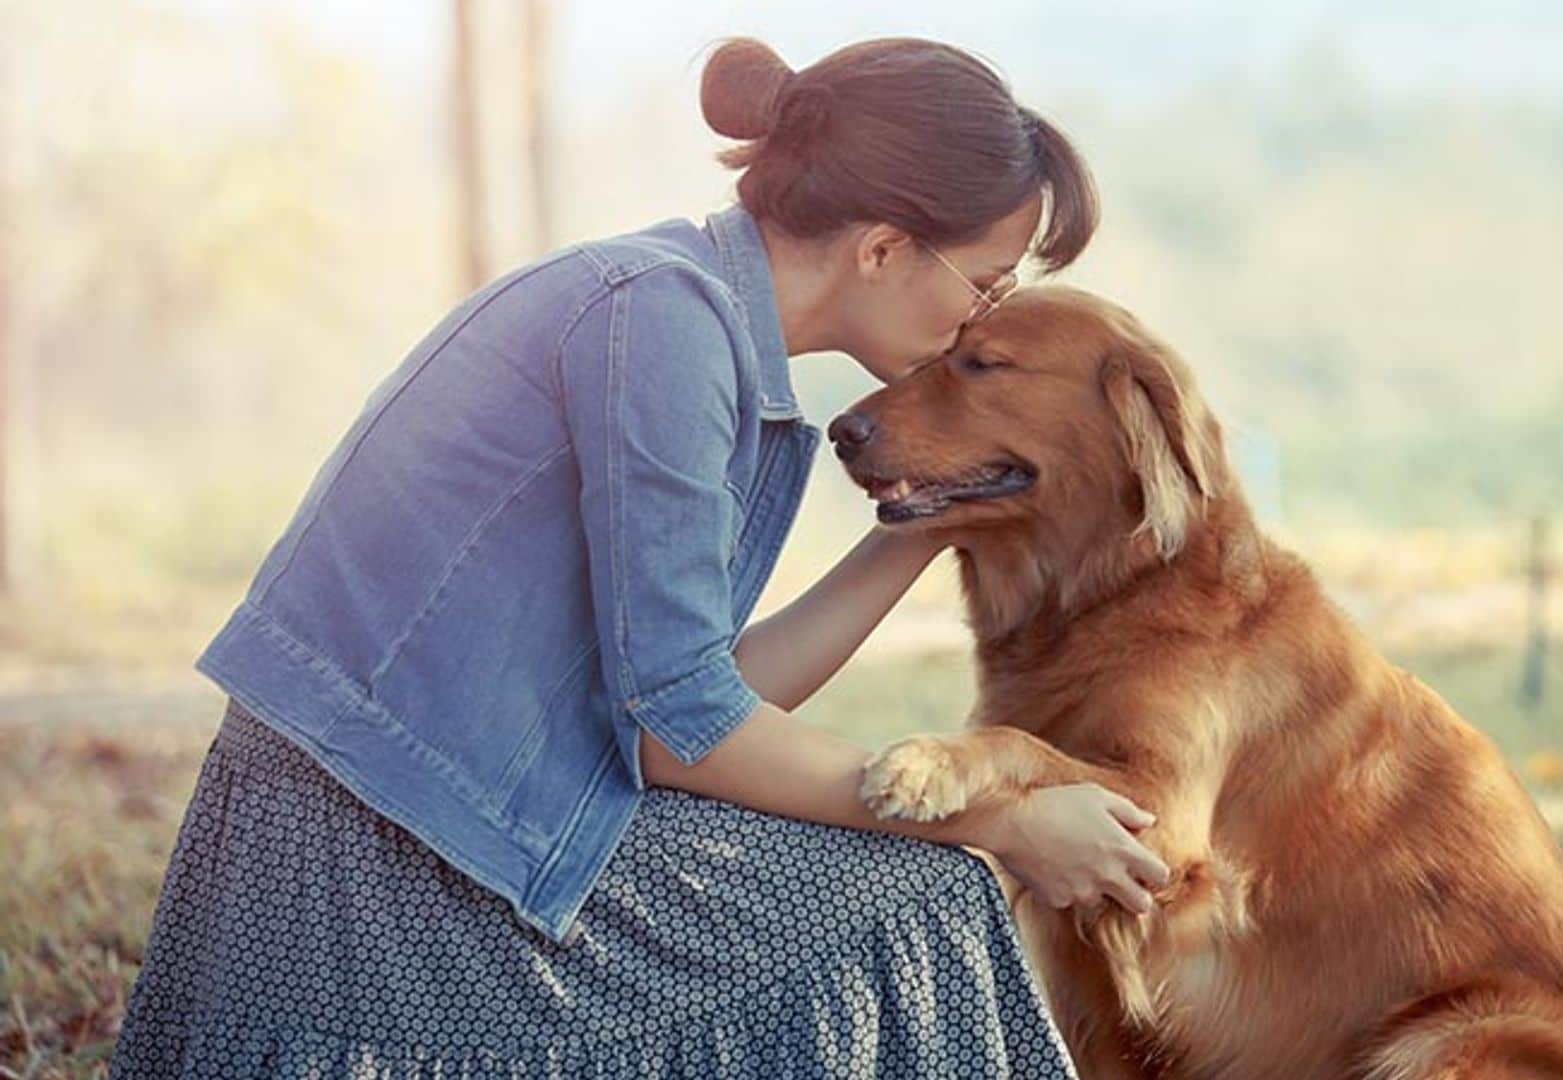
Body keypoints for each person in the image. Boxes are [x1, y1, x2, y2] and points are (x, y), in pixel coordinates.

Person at [108, 34, 1170, 1078]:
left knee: (910, 885)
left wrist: (922, 526)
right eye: (985, 284)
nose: (979, 320)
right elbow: (683, 741)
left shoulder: (690, 319)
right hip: (374, 862)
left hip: (458, 817)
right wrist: (1001, 816)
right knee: (920, 902)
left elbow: (692, 698)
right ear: (885, 246)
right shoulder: (661, 322)